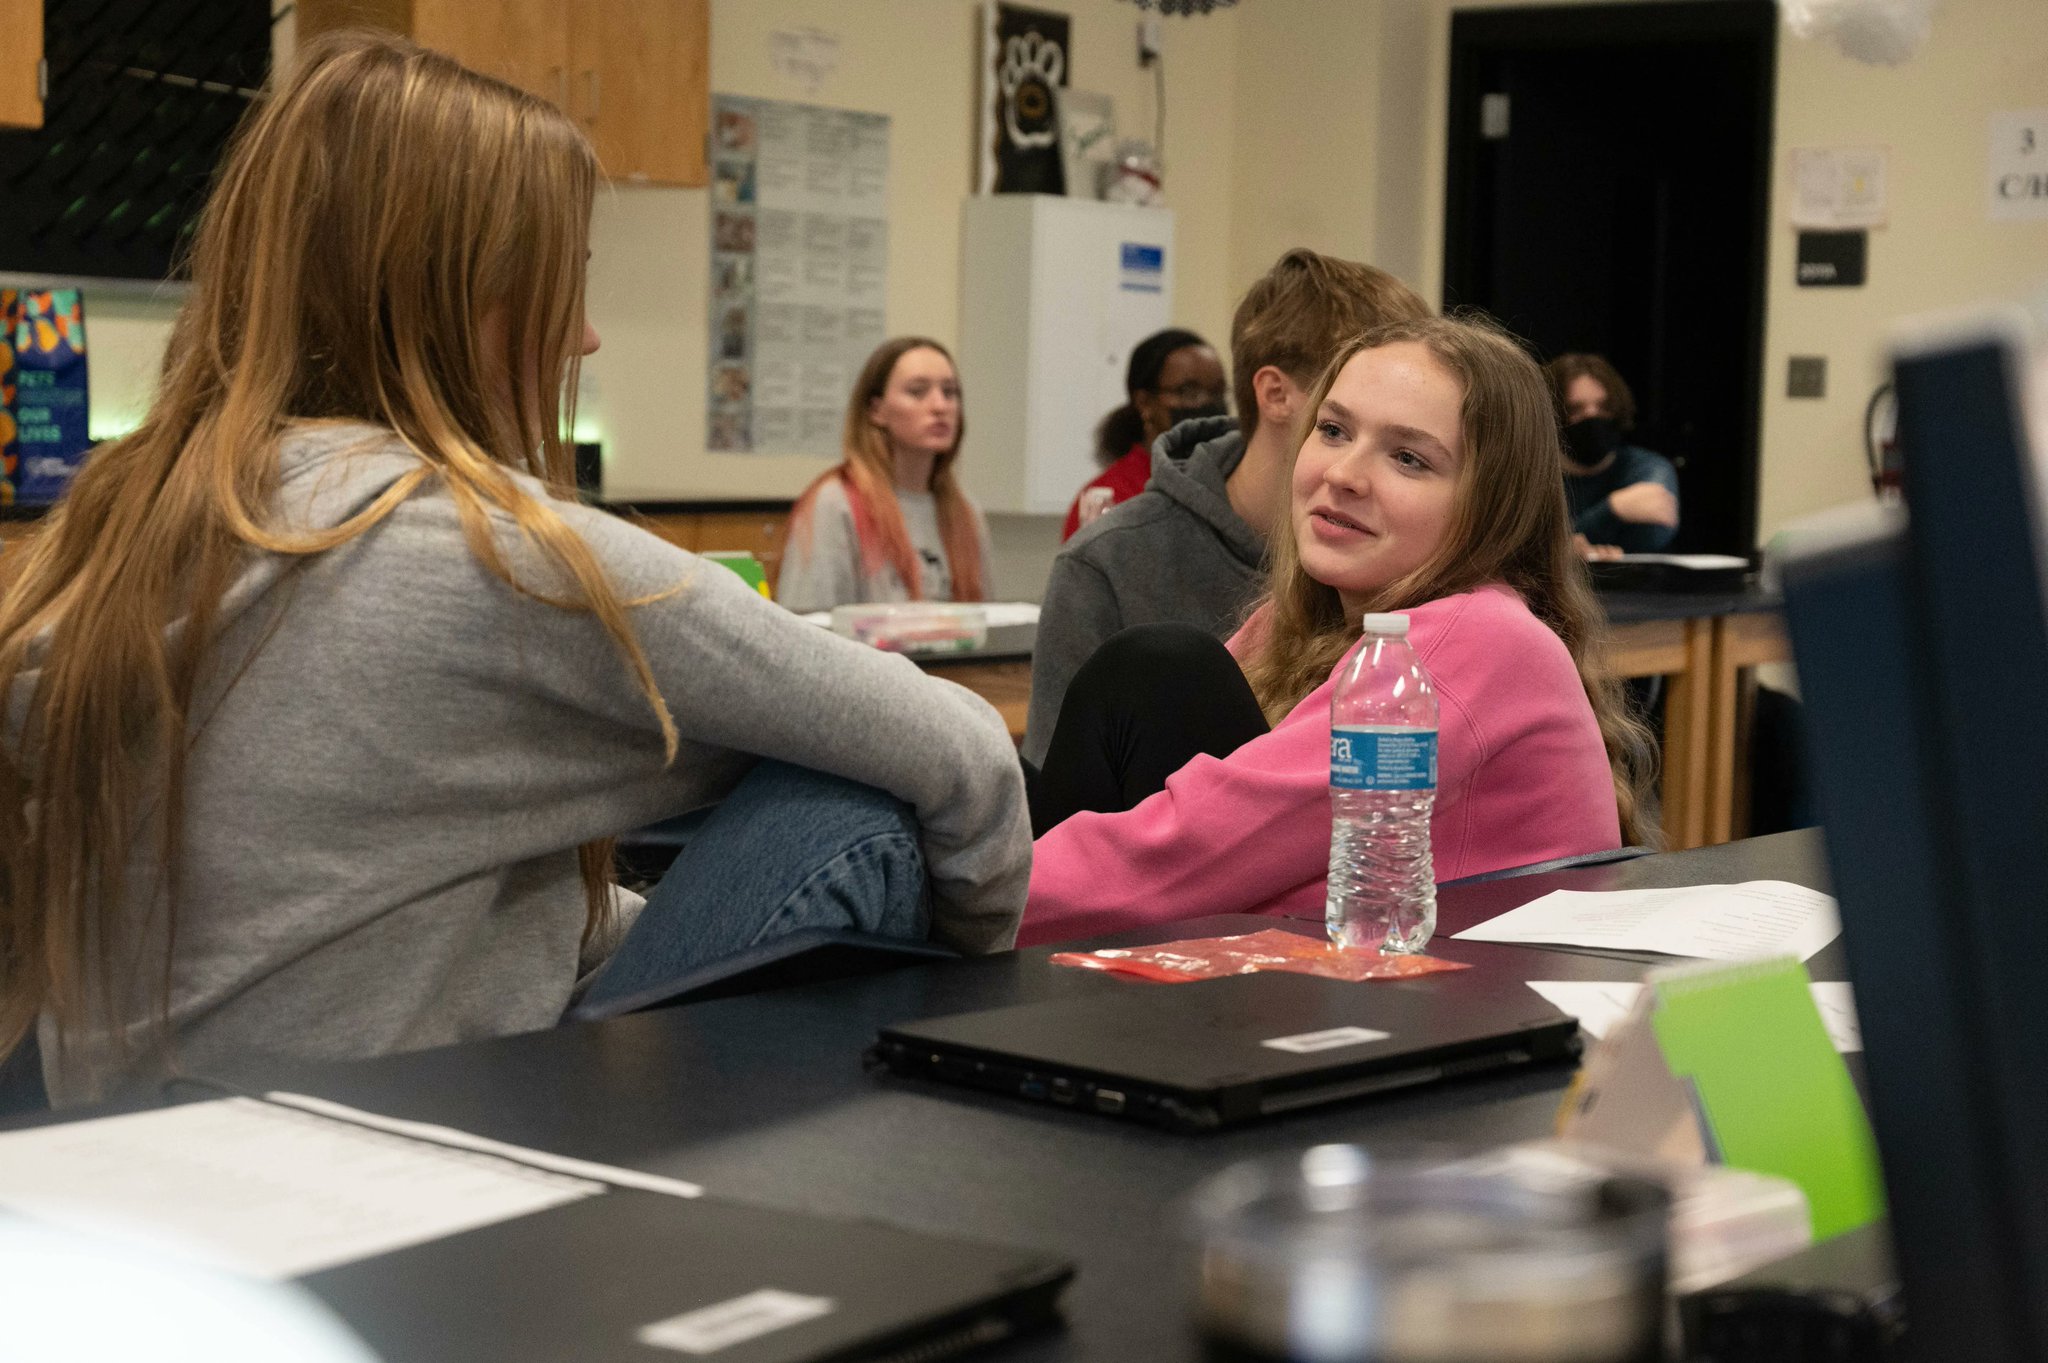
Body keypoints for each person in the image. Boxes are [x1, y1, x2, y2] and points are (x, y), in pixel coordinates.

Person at [0, 34, 1029, 1106]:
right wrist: (985, 993)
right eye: (565, 285)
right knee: (853, 806)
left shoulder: (118, 525)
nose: (582, 339)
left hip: (144, 1172)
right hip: (405, 1167)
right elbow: (959, 752)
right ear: (468, 297)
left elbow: (359, 905)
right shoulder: (486, 556)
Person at [1022, 315, 1656, 946]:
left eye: (1408, 458)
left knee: (1160, 669)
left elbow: (1200, 844)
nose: (1344, 473)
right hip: (1333, 975)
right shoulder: (1306, 619)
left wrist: (969, 899)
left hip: (1429, 1013)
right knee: (1136, 687)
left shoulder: (1480, 637)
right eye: (1332, 430)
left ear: (1490, 505)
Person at [1022, 249, 1431, 766]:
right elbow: (1061, 807)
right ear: (1275, 394)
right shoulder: (1110, 563)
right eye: (1336, 420)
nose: (1352, 473)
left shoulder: (1416, 551)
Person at [775, 338, 994, 612]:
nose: (940, 406)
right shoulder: (835, 503)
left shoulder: (966, 513)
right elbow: (806, 628)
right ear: (876, 410)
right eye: (918, 392)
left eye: (950, 392)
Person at [1061, 327, 1224, 541]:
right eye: (1188, 392)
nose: (1206, 403)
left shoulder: (1228, 483)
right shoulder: (1108, 498)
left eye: (1218, 392)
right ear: (1144, 403)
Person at [1545, 352, 1680, 555]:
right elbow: (1526, 548)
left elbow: (1653, 534)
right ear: (1552, 415)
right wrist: (1614, 509)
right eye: (1575, 409)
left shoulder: (1649, 467)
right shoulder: (1534, 475)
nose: (1592, 417)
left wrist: (1575, 540)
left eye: (1604, 407)